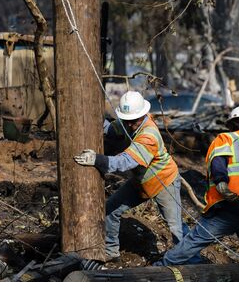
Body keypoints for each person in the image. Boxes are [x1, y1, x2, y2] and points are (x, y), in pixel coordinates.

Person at [153, 105, 239, 266]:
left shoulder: (226, 138)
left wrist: (221, 183)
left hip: (233, 203)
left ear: (232, 124)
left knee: (197, 238)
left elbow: (218, 162)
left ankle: (162, 267)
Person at [74, 91, 187, 262]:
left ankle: (185, 261)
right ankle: (111, 251)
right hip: (141, 181)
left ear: (143, 114)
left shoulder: (149, 135)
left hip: (164, 181)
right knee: (110, 209)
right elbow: (111, 129)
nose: (131, 124)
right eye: (128, 120)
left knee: (175, 226)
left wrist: (97, 160)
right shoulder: (128, 122)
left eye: (135, 120)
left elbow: (125, 162)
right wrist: (92, 116)